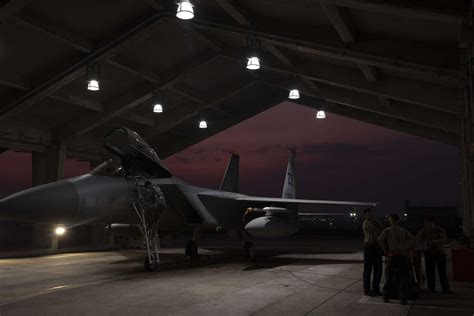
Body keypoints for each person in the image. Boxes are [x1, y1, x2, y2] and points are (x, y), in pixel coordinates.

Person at [378, 214, 415, 305]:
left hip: (392, 255)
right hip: (403, 256)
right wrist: (408, 249)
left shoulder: (387, 230)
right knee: (403, 277)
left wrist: (385, 251)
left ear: (392, 220)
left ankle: (386, 296)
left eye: (389, 219)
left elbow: (380, 240)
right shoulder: (403, 230)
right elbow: (413, 240)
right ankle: (403, 298)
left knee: (389, 276)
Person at [416, 216, 451, 294]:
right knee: (429, 273)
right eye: (426, 223)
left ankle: (445, 289)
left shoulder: (439, 230)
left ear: (433, 223)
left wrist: (436, 241)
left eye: (429, 223)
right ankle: (431, 289)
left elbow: (444, 239)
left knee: (442, 273)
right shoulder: (424, 230)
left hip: (439, 252)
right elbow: (417, 239)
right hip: (429, 253)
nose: (427, 225)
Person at [362, 208, 383, 296]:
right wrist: (377, 223)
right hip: (369, 247)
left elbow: (382, 229)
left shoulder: (374, 222)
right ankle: (367, 290)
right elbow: (377, 230)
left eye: (371, 213)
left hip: (376, 247)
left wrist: (377, 222)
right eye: (368, 214)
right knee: (368, 270)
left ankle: (376, 289)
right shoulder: (366, 223)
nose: (370, 215)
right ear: (365, 215)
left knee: (378, 269)